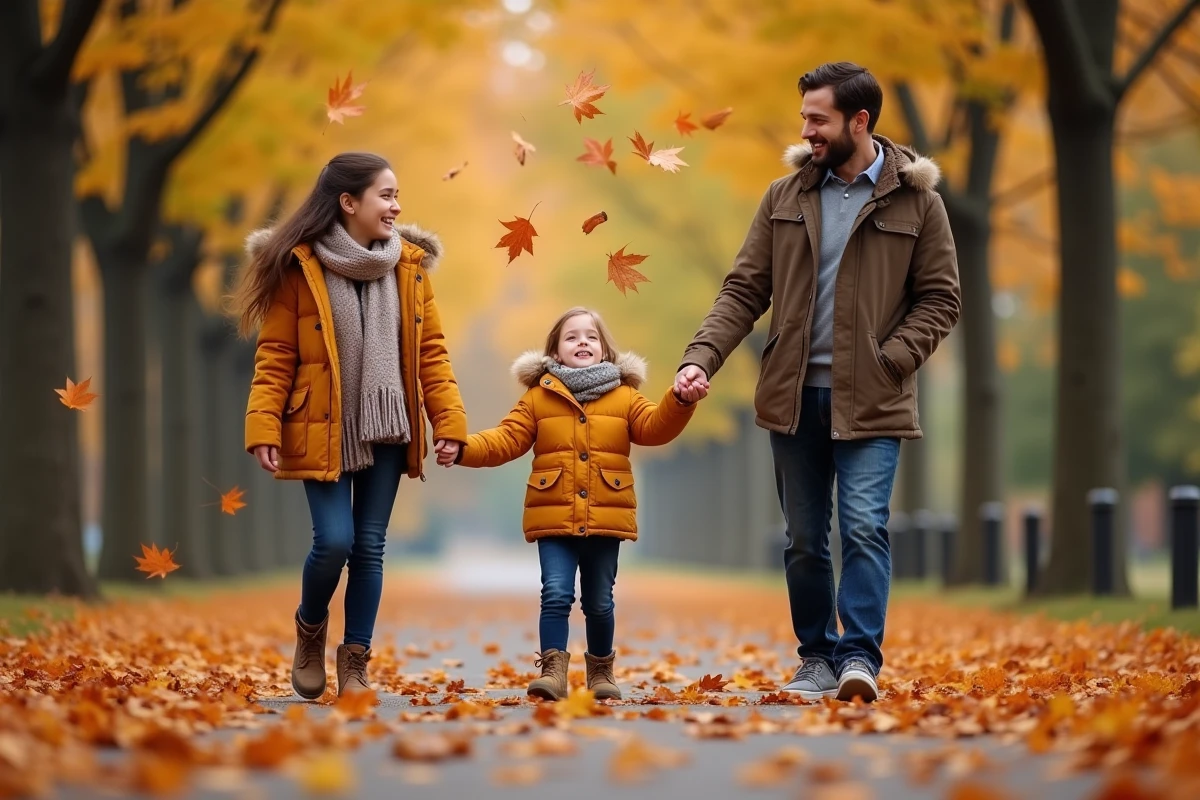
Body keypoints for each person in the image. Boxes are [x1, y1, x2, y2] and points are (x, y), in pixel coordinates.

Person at [675, 62, 961, 702]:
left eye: (817, 118)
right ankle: (816, 656)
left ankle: (859, 655)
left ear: (859, 121)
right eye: (804, 116)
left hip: (875, 397)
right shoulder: (784, 197)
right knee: (805, 540)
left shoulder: (920, 202)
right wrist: (701, 358)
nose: (806, 129)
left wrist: (891, 359)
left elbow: (941, 299)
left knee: (863, 526)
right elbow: (744, 288)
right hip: (793, 396)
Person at [233, 152, 467, 699]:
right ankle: (310, 629)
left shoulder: (410, 268)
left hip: (390, 425)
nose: (396, 206)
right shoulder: (300, 268)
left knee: (369, 547)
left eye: (397, 195)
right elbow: (276, 356)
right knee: (333, 541)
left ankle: (356, 662)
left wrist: (448, 422)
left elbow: (431, 353)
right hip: (323, 423)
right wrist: (263, 425)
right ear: (349, 202)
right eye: (386, 195)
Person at [451, 307, 704, 700]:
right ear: (554, 351)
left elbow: (655, 428)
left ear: (605, 350)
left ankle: (601, 671)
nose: (582, 342)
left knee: (599, 599)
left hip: (605, 514)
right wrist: (463, 446)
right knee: (555, 592)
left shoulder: (625, 397)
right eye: (571, 337)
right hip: (554, 513)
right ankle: (553, 671)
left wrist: (680, 401)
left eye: (591, 336)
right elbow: (506, 439)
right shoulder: (538, 399)